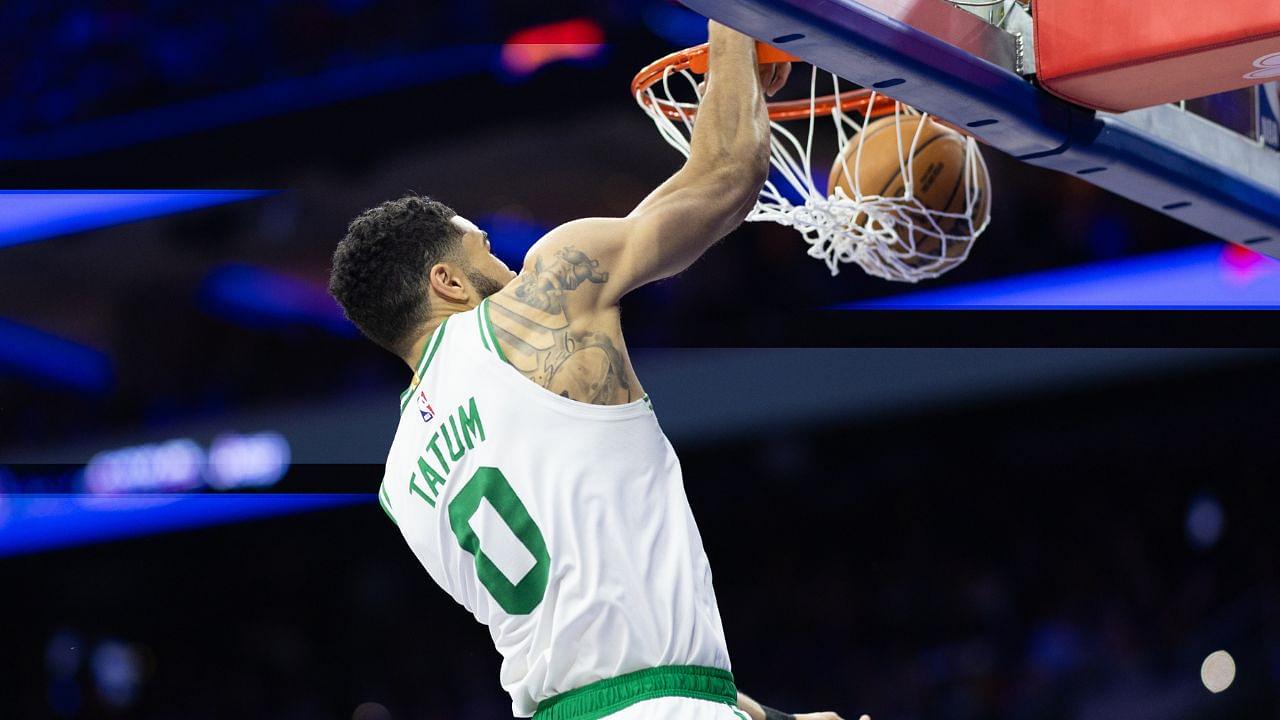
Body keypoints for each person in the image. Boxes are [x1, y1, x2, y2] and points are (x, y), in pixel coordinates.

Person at [329, 21, 858, 720]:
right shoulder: (540, 300)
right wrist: (738, 26)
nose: (511, 266)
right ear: (448, 282)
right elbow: (728, 176)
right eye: (487, 250)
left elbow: (595, 637)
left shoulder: (401, 485)